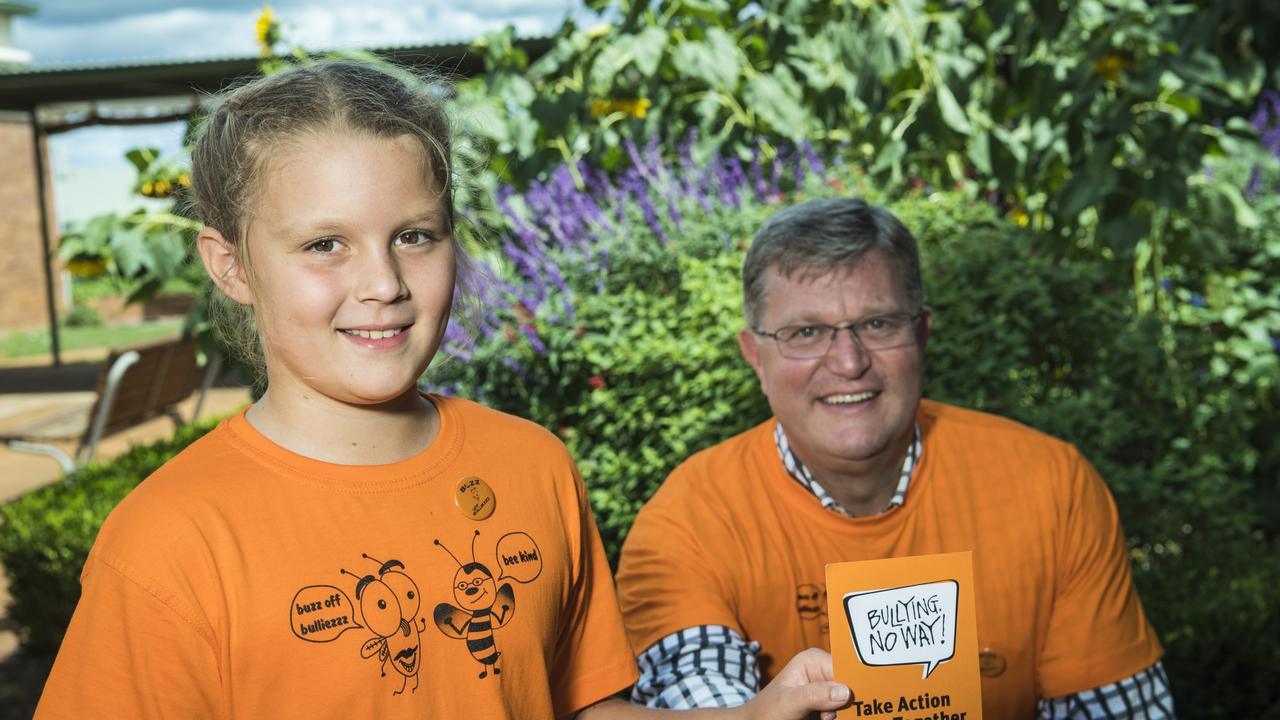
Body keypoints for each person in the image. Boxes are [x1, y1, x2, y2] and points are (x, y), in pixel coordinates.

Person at [34, 59, 851, 720]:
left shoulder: (533, 466)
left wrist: (748, 718)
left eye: (414, 236)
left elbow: (580, 709)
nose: (384, 283)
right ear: (231, 265)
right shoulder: (169, 542)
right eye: (326, 244)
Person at [614, 198, 1175, 719]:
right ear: (755, 357)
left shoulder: (1050, 485)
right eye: (806, 332)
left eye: (877, 324)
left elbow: (1117, 707)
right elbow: (698, 690)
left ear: (923, 334)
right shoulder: (687, 523)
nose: (849, 361)